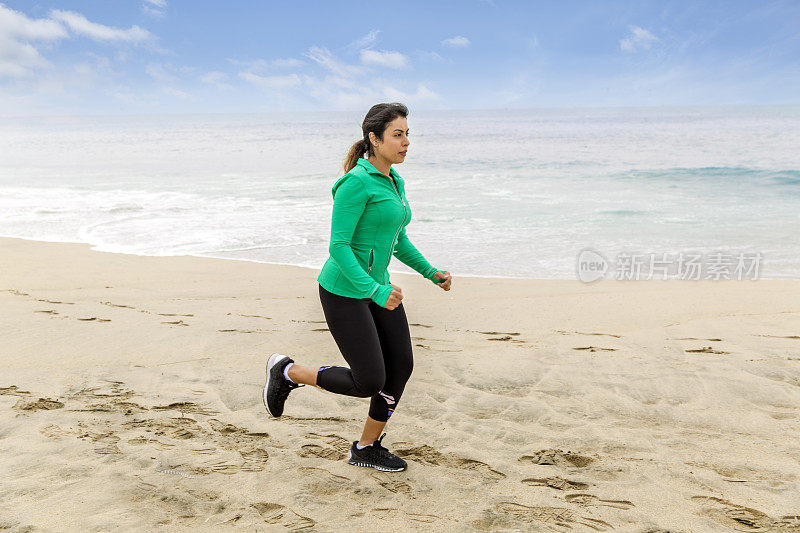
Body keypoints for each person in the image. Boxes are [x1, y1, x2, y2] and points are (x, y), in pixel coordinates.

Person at [263, 102, 452, 472]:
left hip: (377, 289)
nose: (406, 142)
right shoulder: (356, 183)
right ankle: (288, 372)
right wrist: (374, 290)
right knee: (368, 380)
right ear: (374, 139)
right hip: (344, 292)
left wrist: (430, 272)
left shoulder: (395, 181)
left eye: (408, 133)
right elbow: (339, 246)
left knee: (401, 368)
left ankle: (366, 447)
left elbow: (396, 240)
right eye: (398, 134)